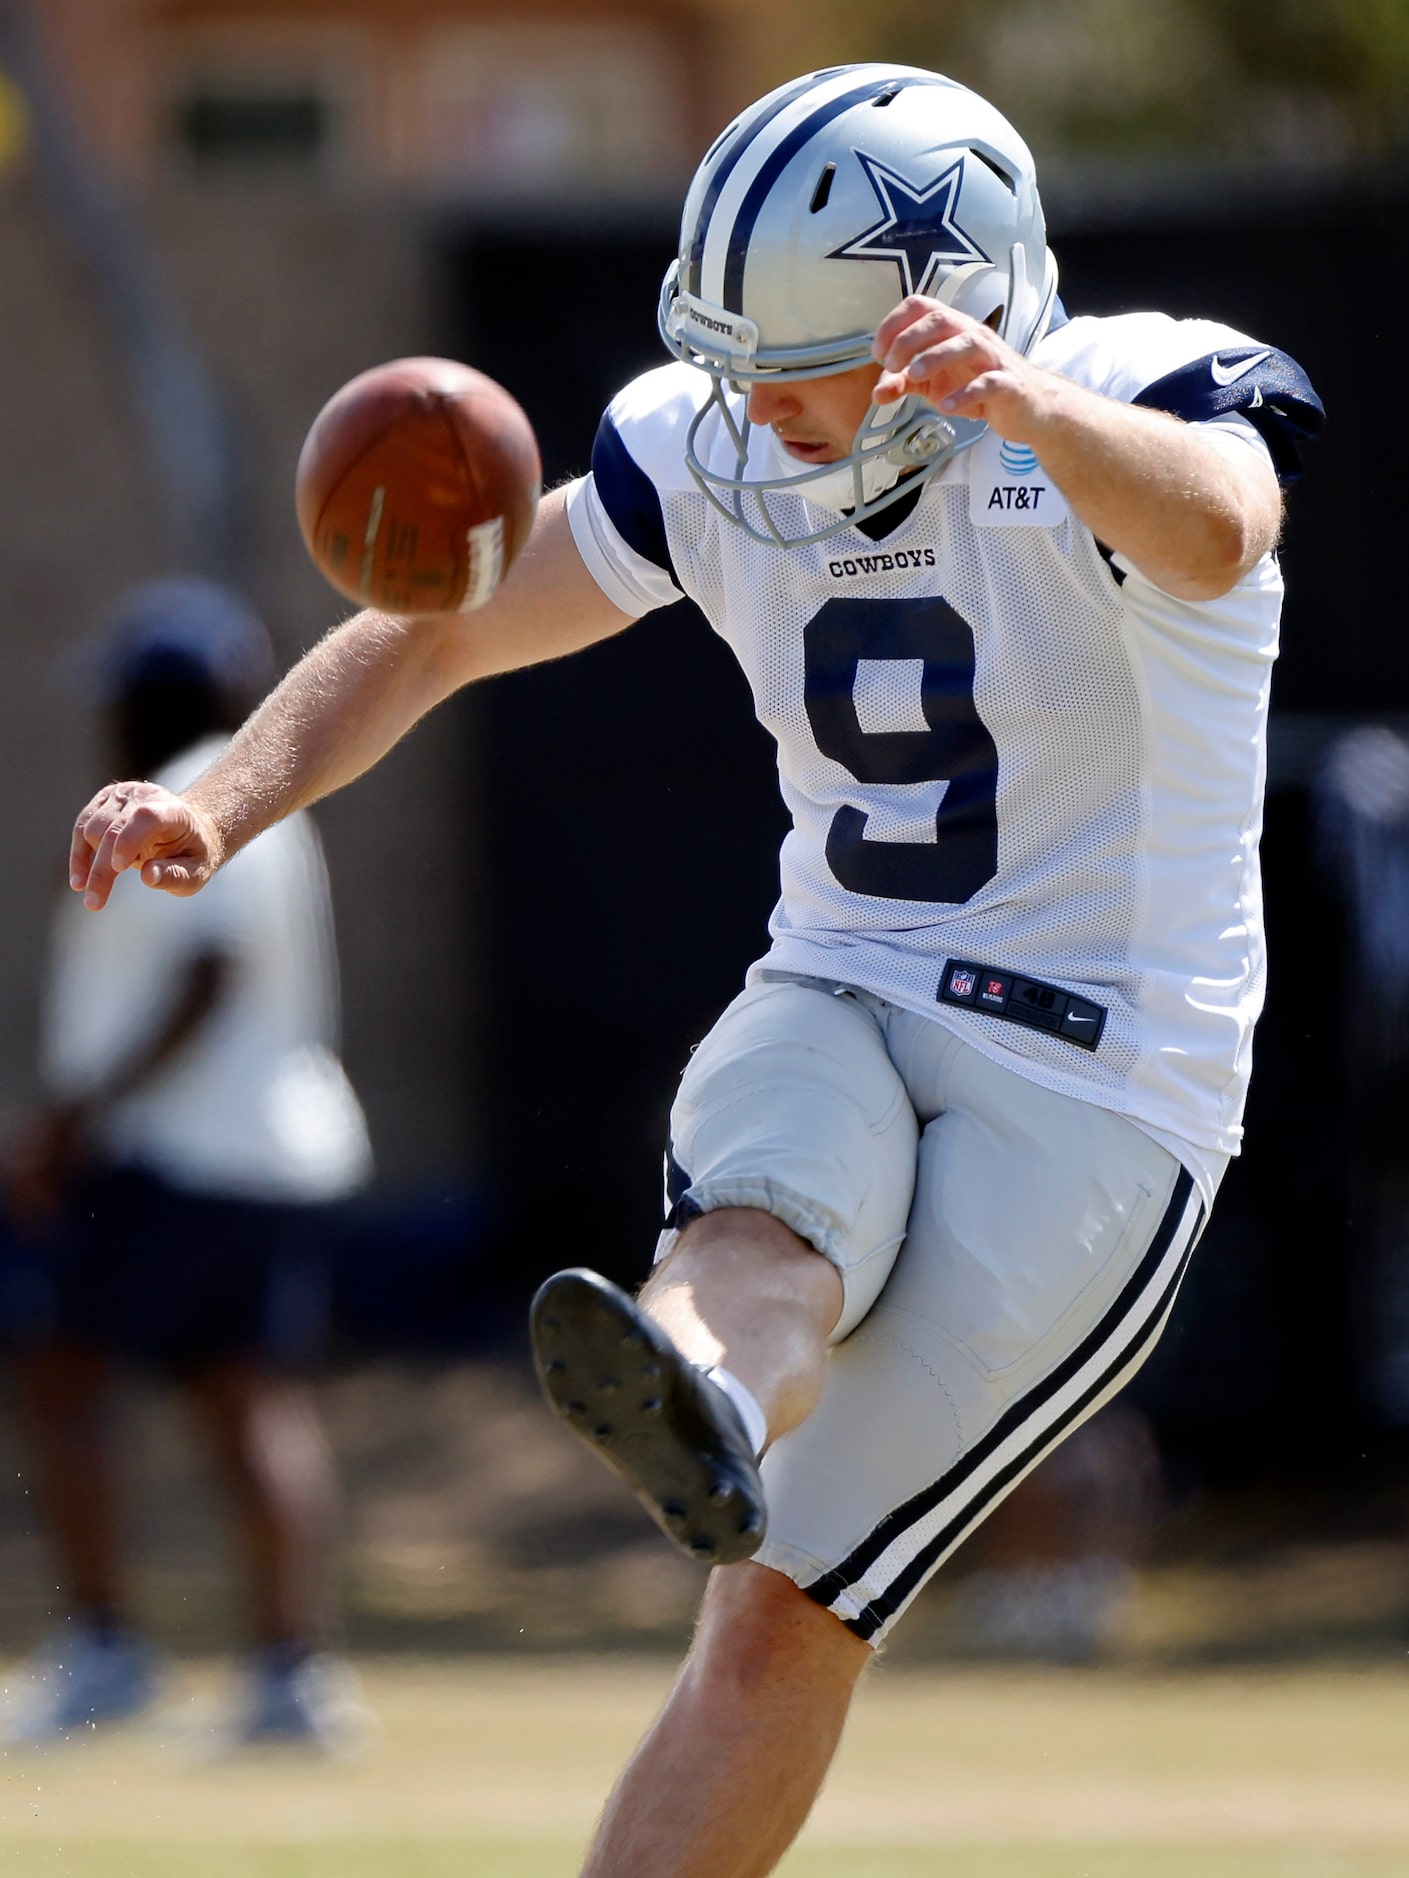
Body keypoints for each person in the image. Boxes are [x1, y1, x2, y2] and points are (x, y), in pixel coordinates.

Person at [66, 64, 1320, 1874]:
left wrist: (1030, 413)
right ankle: (702, 1392)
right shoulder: (718, 440)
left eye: (795, 366)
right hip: (844, 972)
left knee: (780, 1620)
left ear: (943, 327)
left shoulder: (1139, 399)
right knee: (760, 1216)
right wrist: (224, 802)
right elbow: (433, 640)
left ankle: (733, 1415)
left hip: (1094, 1079)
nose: (752, 408)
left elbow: (1218, 524)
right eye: (729, 358)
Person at [2, 578, 373, 1752]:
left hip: (177, 1157)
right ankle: (289, 1674)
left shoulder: (198, 792)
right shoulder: (256, 786)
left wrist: (70, 1122)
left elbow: (202, 978)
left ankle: (106, 1648)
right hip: (273, 1152)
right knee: (249, 1401)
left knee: (60, 1367)